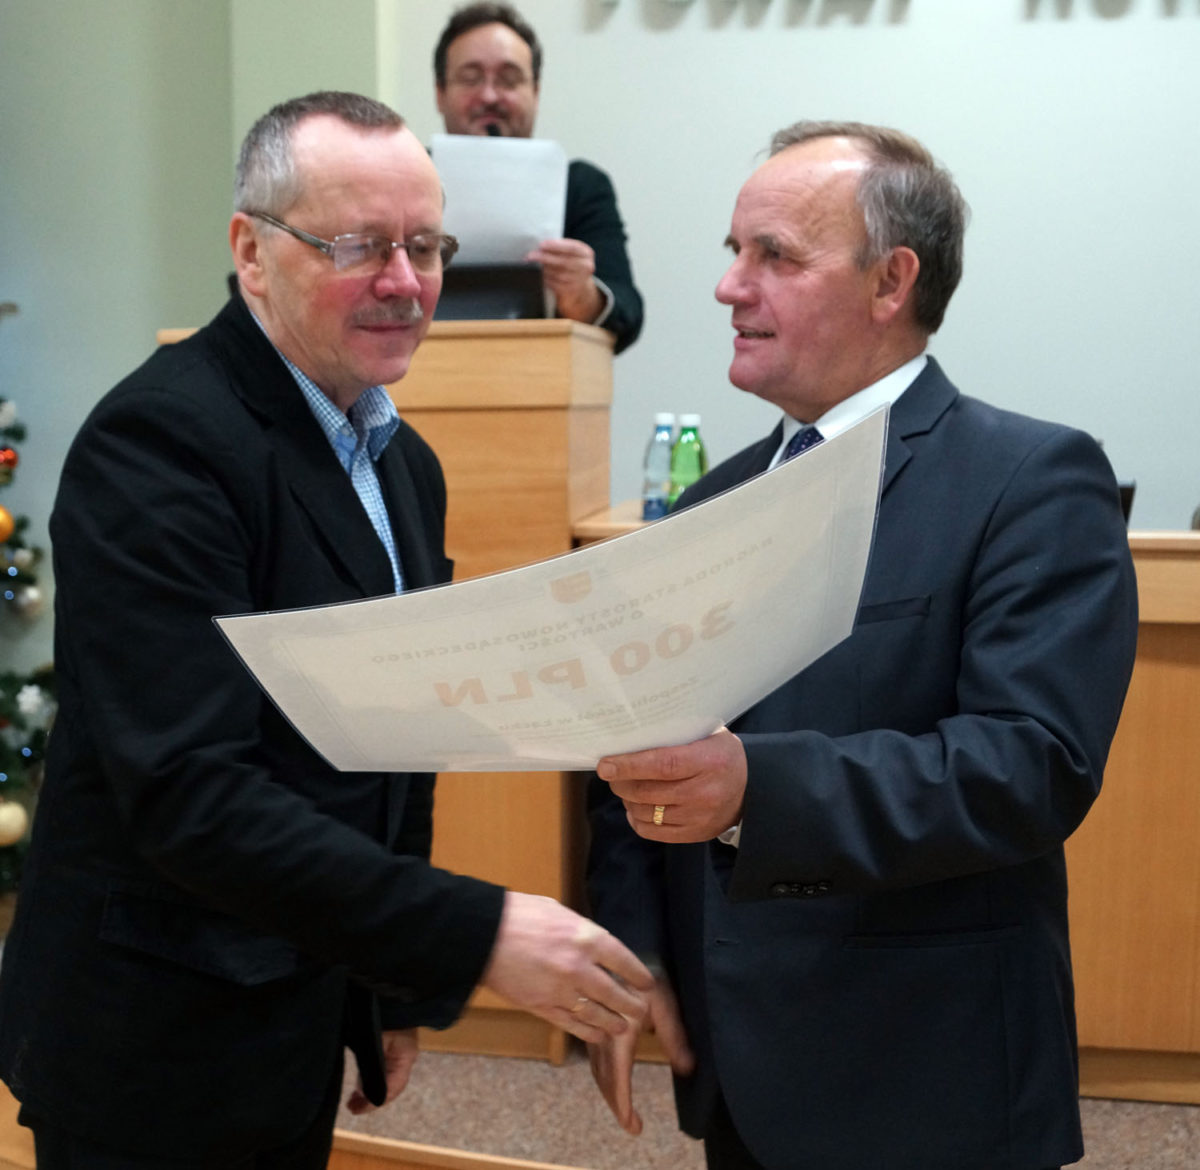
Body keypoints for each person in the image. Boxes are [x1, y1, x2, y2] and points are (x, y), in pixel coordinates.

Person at [0, 91, 654, 1169]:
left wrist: (386, 985)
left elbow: (395, 746)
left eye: (424, 246)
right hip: (154, 1034)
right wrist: (478, 932)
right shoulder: (161, 442)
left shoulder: (405, 466)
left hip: (297, 1001)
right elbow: (191, 792)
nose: (404, 282)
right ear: (250, 253)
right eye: (358, 246)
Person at [585, 121, 1139, 1170]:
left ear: (892, 281)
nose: (728, 287)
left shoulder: (1031, 482)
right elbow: (639, 745)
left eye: (775, 256)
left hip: (924, 1071)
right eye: (733, 251)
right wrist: (633, 945)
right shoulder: (706, 505)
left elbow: (1029, 763)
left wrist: (756, 791)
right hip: (738, 1070)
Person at [433, 2, 644, 353]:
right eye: (471, 78)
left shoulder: (581, 186)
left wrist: (584, 296)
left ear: (536, 91)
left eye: (509, 80)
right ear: (440, 93)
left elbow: (628, 310)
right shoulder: (406, 179)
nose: (489, 95)